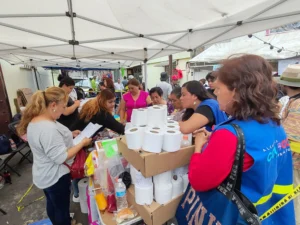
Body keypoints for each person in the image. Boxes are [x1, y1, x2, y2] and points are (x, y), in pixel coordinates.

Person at [177, 55, 295, 225]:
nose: (214, 94)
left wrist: (199, 148)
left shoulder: (228, 135)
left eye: (218, 88)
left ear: (236, 91)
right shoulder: (274, 123)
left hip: (239, 216)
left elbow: (199, 181)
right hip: (272, 215)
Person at [17, 87, 91, 225]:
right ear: (53, 105)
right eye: (63, 107)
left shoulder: (38, 120)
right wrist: (82, 143)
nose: (64, 110)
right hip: (55, 176)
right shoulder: (47, 129)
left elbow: (53, 139)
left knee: (53, 204)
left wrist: (70, 133)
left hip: (43, 173)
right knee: (61, 209)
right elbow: (60, 157)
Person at [277, 64, 300, 225]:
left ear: (285, 85)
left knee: (294, 203)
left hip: (294, 162)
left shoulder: (297, 105)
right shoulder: (293, 102)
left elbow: (290, 137)